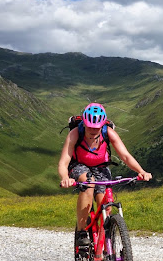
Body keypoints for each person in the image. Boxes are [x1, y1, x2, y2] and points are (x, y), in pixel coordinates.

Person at [58, 103, 152, 247]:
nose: (93, 130)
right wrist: (65, 178)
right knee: (88, 184)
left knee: (106, 205)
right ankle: (82, 232)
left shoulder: (108, 133)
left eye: (97, 128)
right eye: (90, 126)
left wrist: (141, 171)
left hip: (101, 167)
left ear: (102, 125)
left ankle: (104, 247)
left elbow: (125, 156)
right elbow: (64, 161)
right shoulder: (76, 133)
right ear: (84, 122)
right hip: (79, 165)